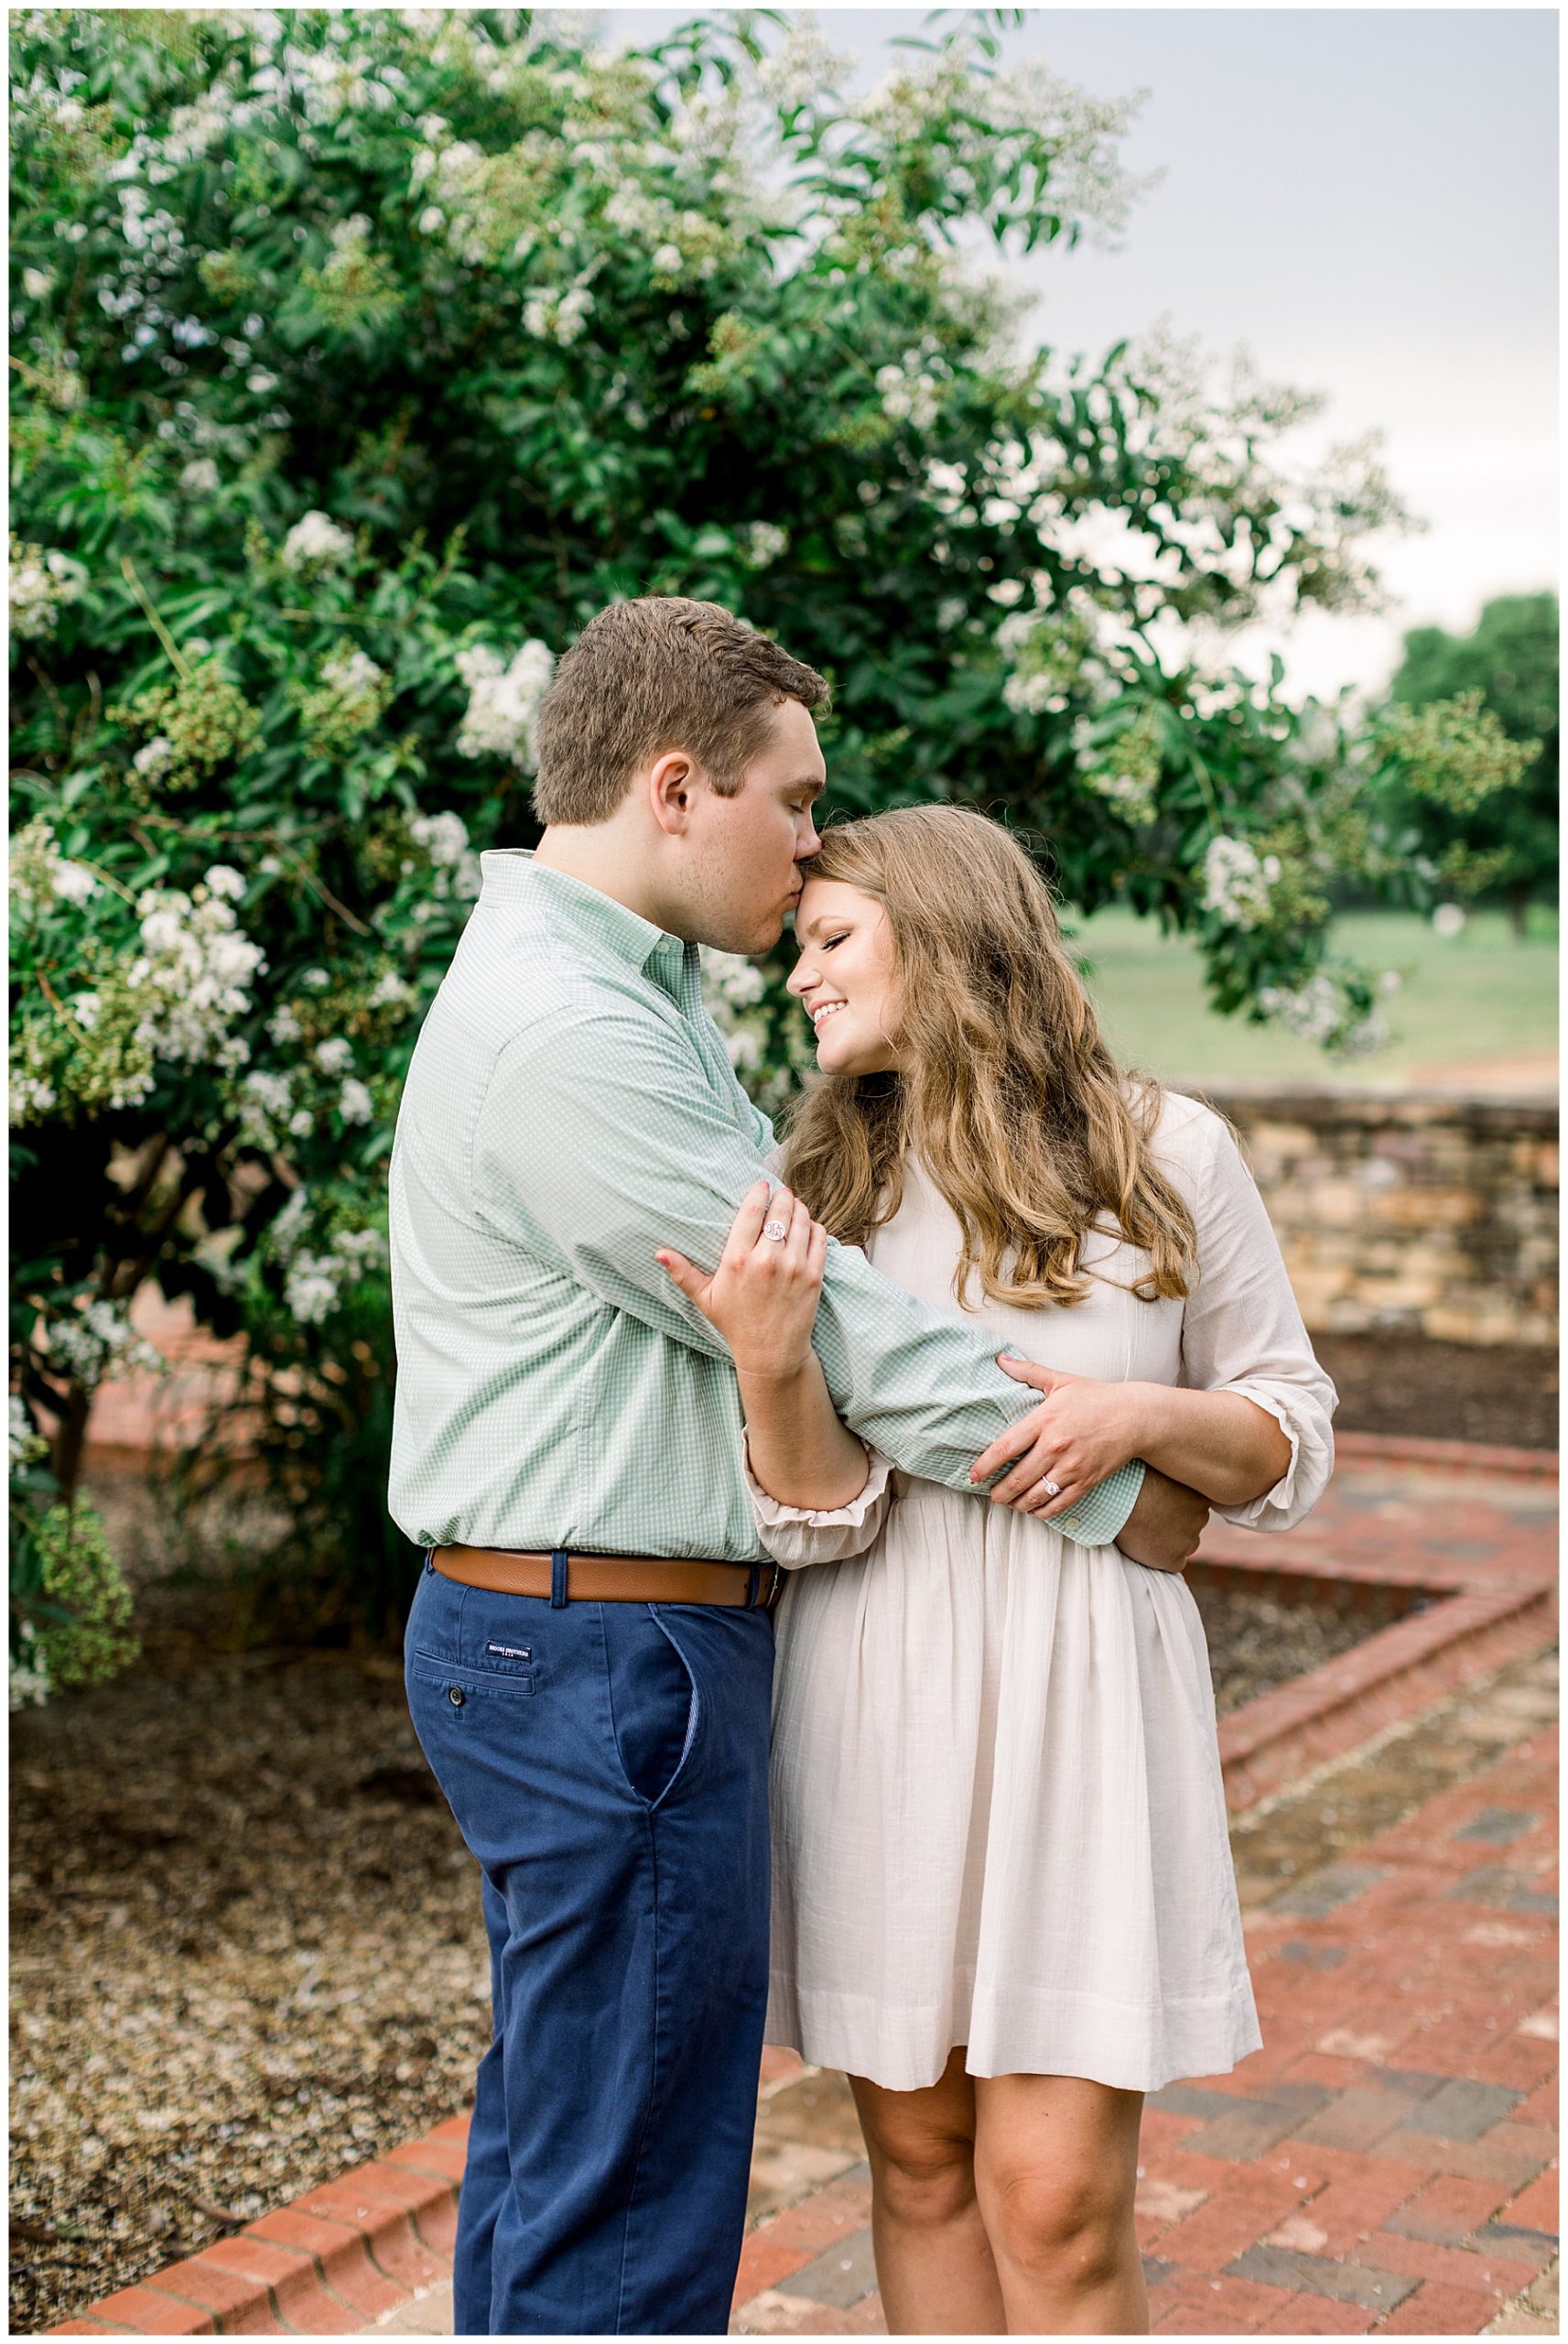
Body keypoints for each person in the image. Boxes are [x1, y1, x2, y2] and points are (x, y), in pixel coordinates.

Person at [385, 599, 1206, 2336]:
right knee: (621, 2200)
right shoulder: (567, 1033)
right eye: (793, 798)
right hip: (605, 1653)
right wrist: (1123, 1476)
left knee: (568, 2143)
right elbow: (837, 1327)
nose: (815, 837)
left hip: (588, 1637)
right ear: (678, 790)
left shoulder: (633, 982)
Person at [654, 803, 1338, 2336]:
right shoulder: (816, 1185)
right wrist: (769, 1371)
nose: (800, 978)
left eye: (831, 941)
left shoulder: (1160, 1151)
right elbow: (813, 1517)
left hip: (1082, 1708)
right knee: (912, 2161)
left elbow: (1292, 1437)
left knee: (1057, 2202)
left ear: (946, 928)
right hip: (876, 1694)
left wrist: (1141, 1415)